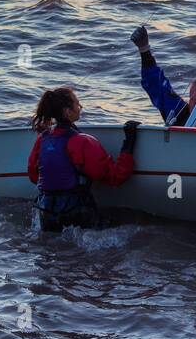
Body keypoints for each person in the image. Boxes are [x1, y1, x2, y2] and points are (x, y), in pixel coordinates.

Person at [27, 86, 139, 232]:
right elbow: (115, 177)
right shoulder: (83, 141)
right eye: (77, 104)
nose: (80, 107)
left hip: (46, 213)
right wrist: (129, 143)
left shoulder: (42, 139)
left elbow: (33, 175)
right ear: (67, 111)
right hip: (75, 214)